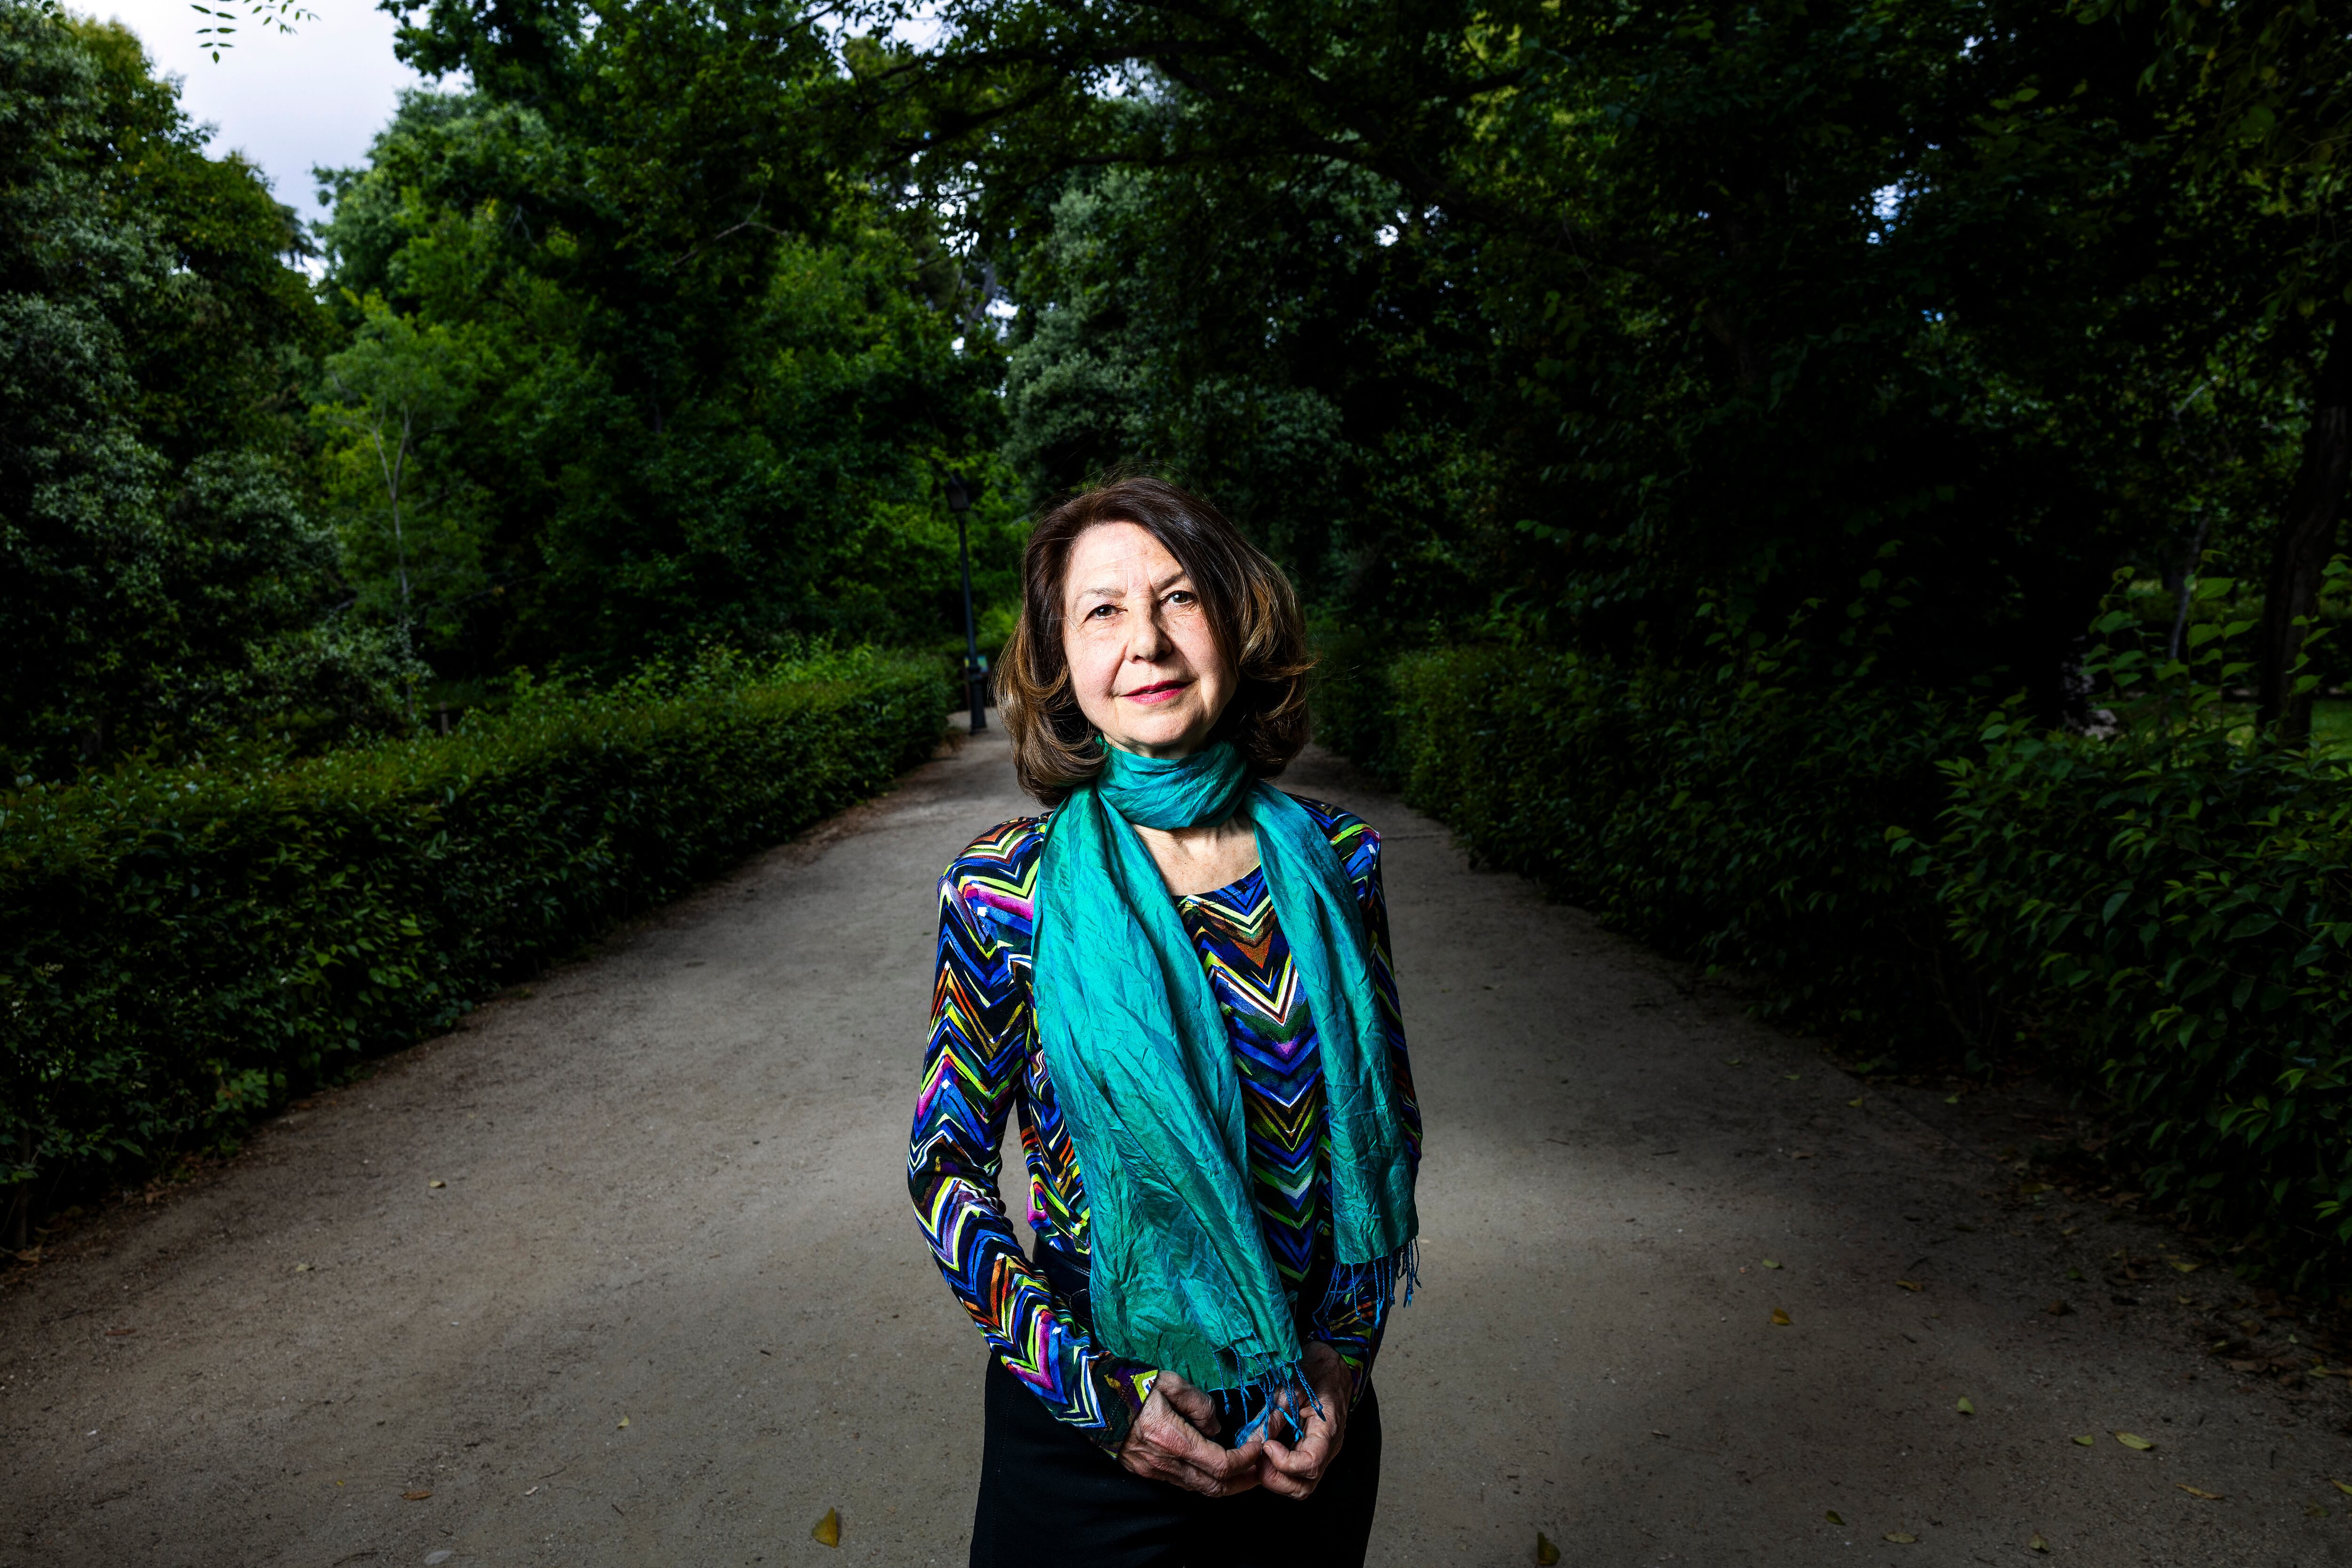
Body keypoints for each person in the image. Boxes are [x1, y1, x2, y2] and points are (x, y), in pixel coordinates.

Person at [908, 477, 1423, 1568]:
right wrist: (1100, 1399)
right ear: (1059, 661)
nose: (1144, 640)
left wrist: (1347, 1351)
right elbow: (943, 1165)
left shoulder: (1337, 861)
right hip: (1096, 1449)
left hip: (1306, 1432)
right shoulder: (1007, 890)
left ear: (1236, 622)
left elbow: (1391, 1130)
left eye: (1179, 597)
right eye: (1101, 610)